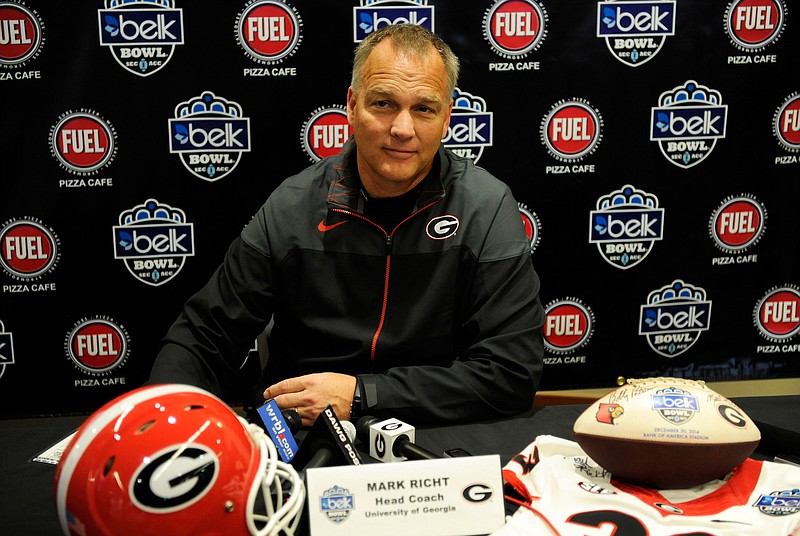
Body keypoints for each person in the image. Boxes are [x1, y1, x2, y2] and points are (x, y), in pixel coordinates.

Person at [148, 24, 545, 427]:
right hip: (302, 432)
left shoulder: (486, 208)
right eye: (384, 104)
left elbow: (511, 373)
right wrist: (163, 423)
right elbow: (203, 337)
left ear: (447, 118)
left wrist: (363, 395)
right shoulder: (294, 205)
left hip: (435, 433)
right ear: (352, 105)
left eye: (424, 108)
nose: (402, 129)